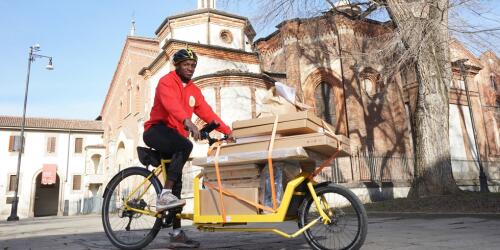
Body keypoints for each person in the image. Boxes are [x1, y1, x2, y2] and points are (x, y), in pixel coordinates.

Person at [143, 48, 233, 248]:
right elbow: (170, 104)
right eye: (186, 65)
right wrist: (188, 122)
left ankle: (176, 234)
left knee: (178, 187)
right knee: (185, 144)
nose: (190, 68)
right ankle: (164, 194)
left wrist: (228, 132)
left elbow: (208, 113)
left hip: (175, 137)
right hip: (156, 130)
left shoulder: (194, 90)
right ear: (177, 65)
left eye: (193, 65)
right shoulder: (166, 82)